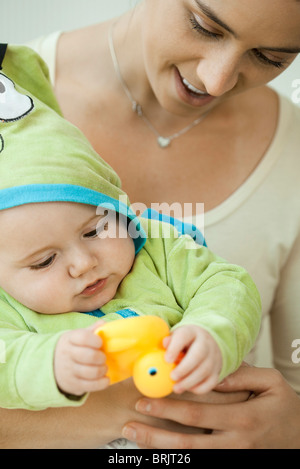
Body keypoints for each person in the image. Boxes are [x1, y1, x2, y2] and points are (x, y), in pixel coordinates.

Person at [3, 0, 300, 448]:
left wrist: (213, 335)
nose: (215, 79)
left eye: (271, 57)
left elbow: (228, 287)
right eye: (203, 25)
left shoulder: (157, 248)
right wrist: (51, 367)